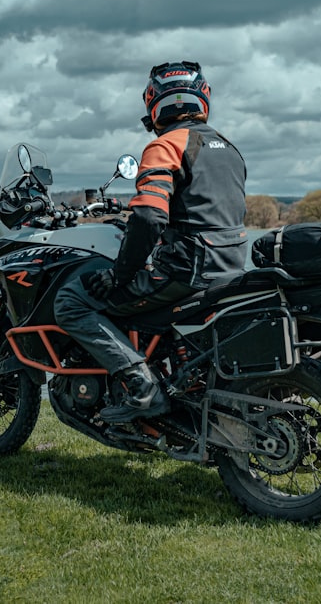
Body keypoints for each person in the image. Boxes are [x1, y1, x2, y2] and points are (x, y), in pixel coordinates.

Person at [54, 60, 248, 423]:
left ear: (153, 101)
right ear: (203, 97)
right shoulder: (228, 148)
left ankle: (142, 387)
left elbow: (150, 216)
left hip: (184, 271)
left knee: (71, 301)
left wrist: (119, 274)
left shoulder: (165, 145)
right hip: (229, 267)